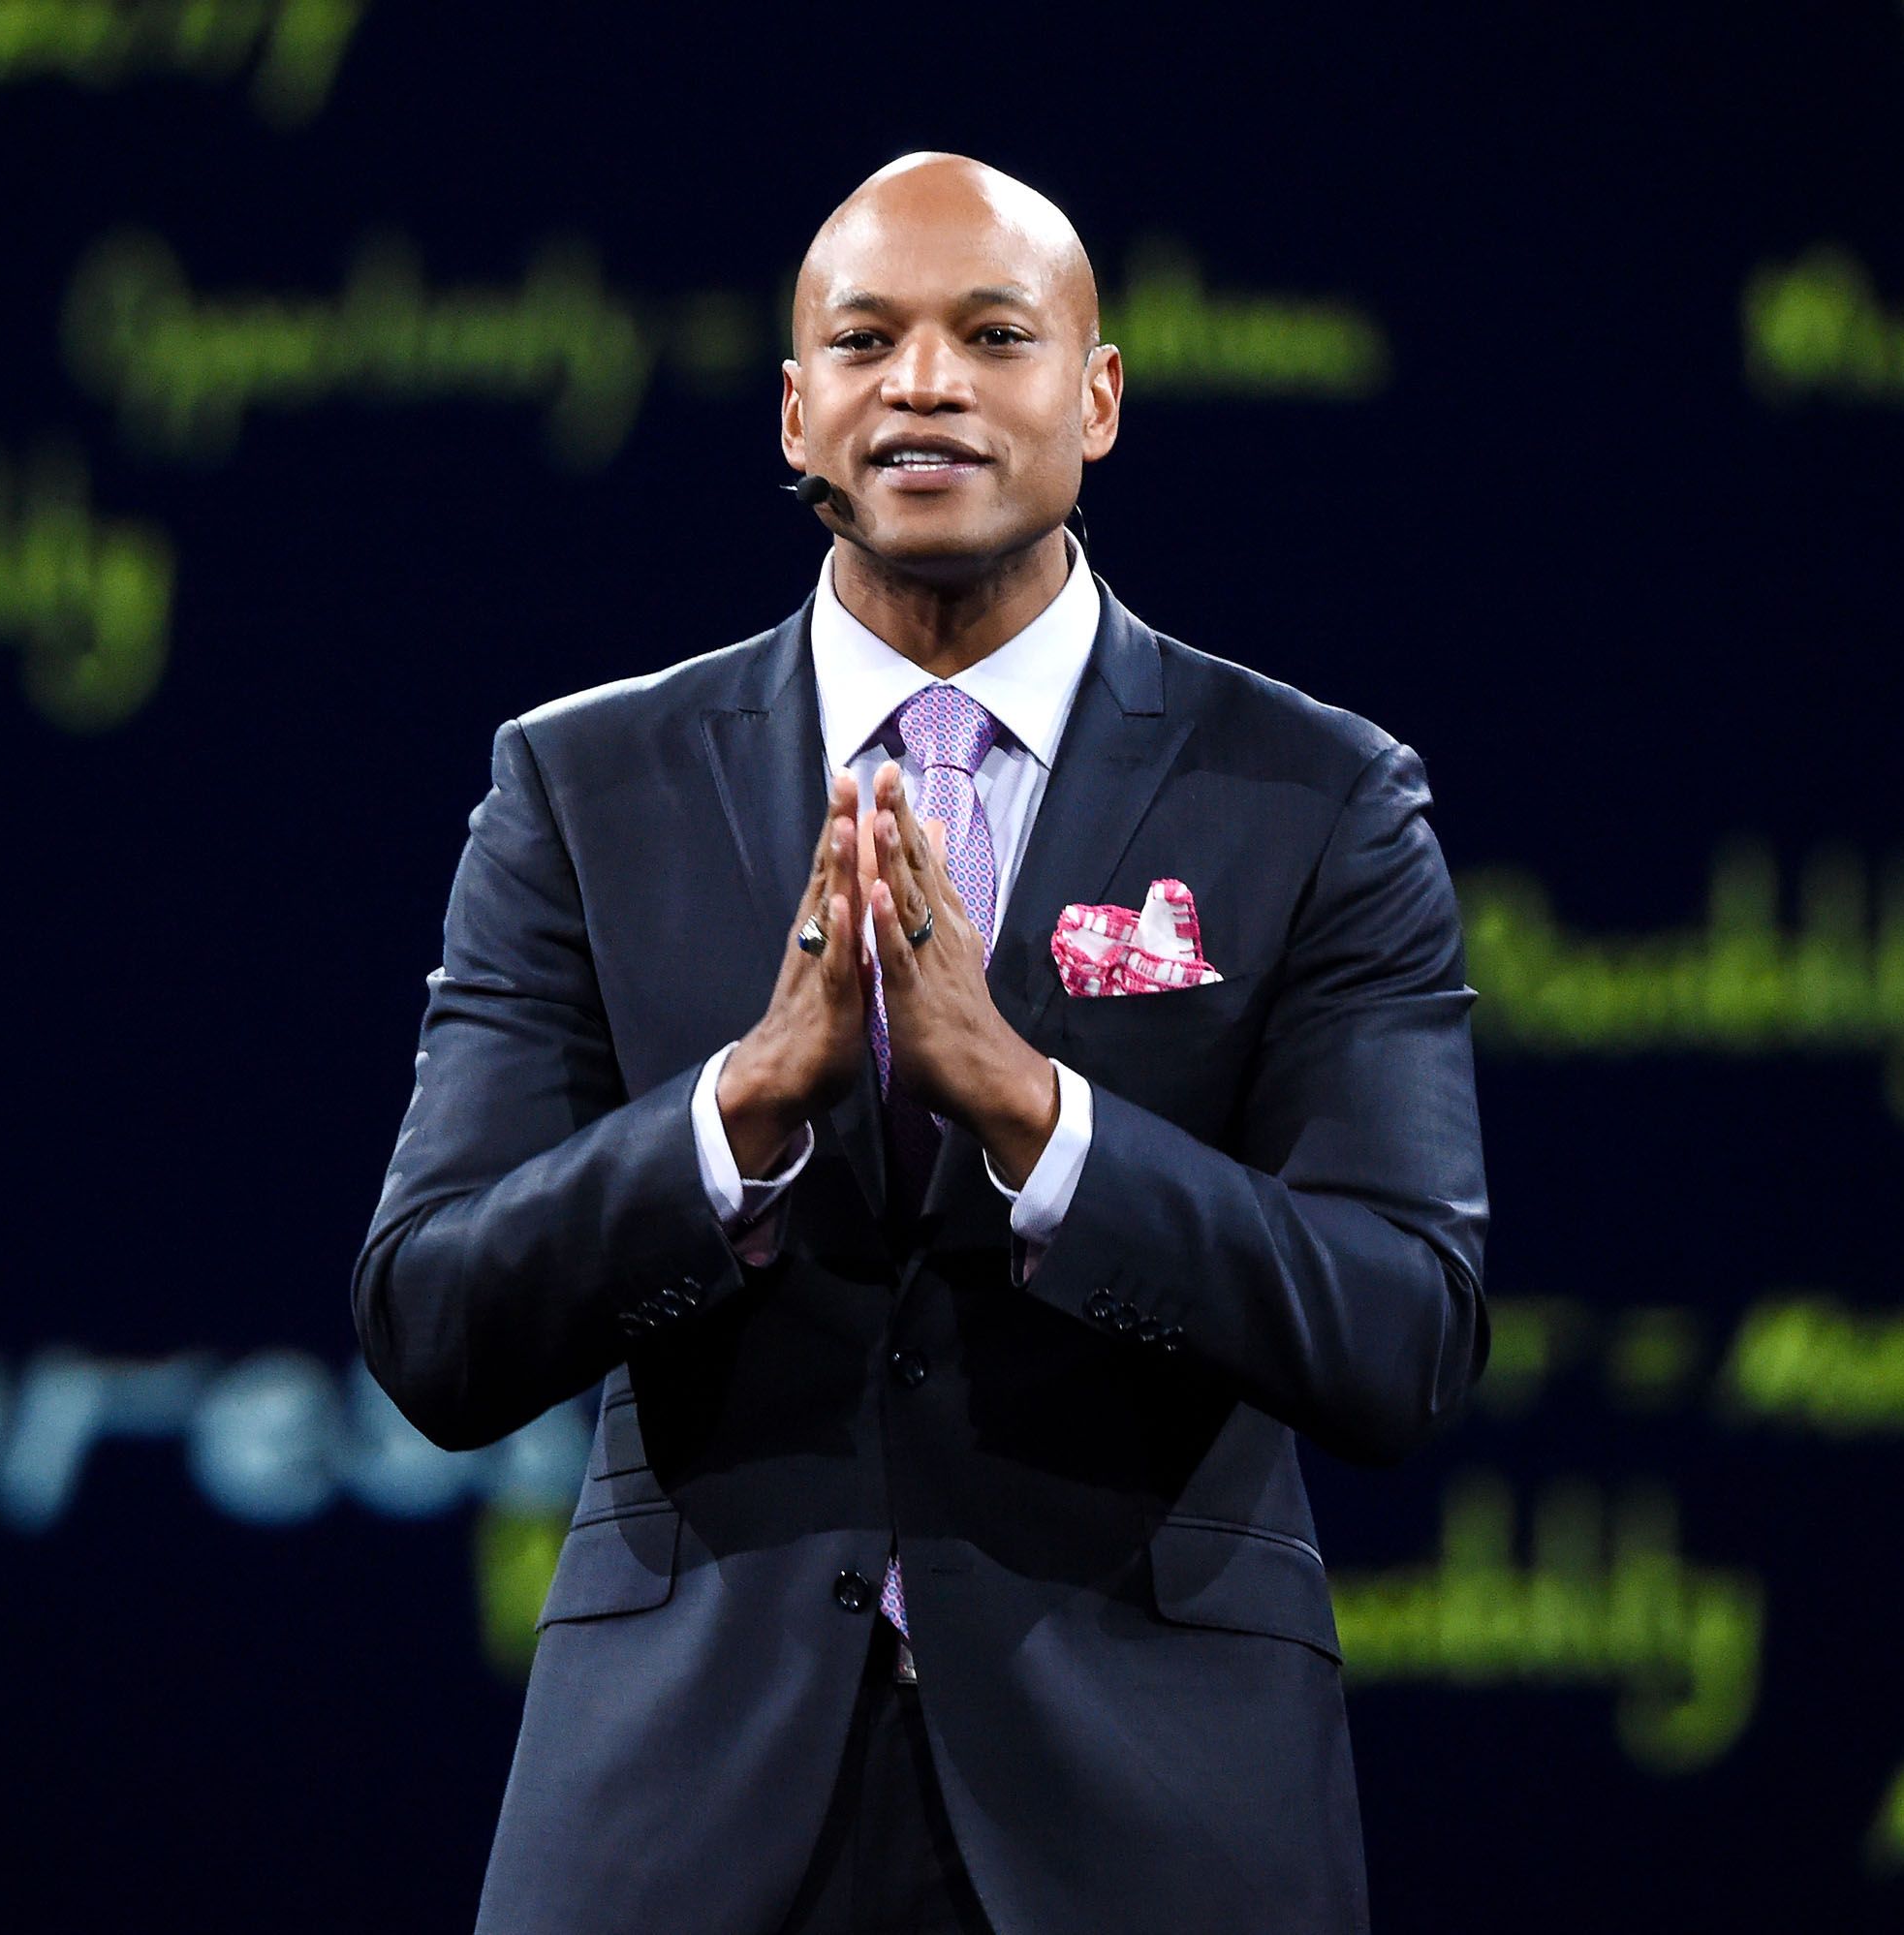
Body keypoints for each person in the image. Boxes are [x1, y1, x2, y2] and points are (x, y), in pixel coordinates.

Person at [353, 150, 1489, 1935]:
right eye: (867, 340)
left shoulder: (1318, 797)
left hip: (1157, 1811)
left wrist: (1039, 1117)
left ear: (1096, 397)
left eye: (995, 335)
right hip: (679, 1812)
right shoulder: (583, 784)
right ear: (796, 411)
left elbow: (1401, 1328)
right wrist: (742, 1109)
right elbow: (431, 1316)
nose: (927, 383)